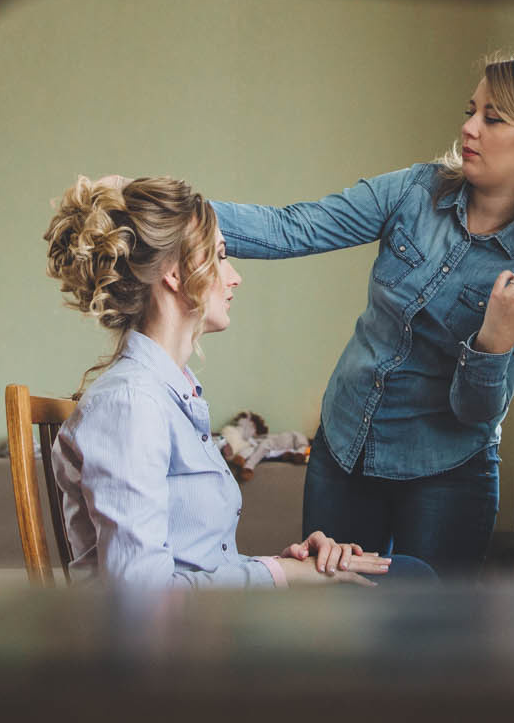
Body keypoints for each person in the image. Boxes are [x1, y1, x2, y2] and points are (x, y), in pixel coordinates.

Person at [210, 55, 514, 571]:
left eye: (493, 118)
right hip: (345, 449)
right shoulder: (415, 189)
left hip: (448, 474)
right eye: (472, 110)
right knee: (336, 627)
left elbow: (474, 413)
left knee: (426, 641)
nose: (469, 127)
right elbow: (292, 228)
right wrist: (168, 211)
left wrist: (493, 345)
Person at [43, 174, 402, 588]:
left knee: (405, 578)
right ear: (176, 275)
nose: (234, 277)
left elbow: (194, 562)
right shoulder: (130, 405)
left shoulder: (171, 391)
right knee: (415, 585)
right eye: (220, 256)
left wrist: (294, 566)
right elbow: (140, 603)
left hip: (205, 629)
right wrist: (281, 574)